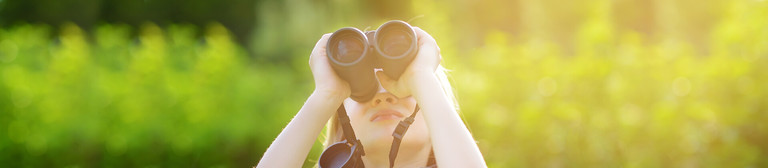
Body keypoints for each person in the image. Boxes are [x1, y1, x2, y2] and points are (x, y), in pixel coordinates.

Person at [257, 27, 486, 168]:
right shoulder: (329, 102)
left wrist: (421, 77)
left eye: (407, 91)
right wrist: (325, 97)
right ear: (340, 124)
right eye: (363, 92)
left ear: (436, 110)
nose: (383, 97)